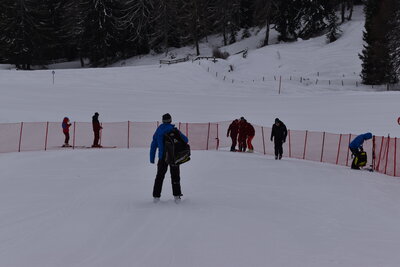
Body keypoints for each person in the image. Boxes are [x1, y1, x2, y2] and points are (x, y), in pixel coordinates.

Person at [150, 113, 188, 202]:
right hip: (174, 157)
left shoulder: (159, 130)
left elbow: (153, 145)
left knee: (159, 176)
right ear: (170, 120)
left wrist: (152, 158)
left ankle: (156, 196)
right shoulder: (174, 130)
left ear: (162, 120)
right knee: (175, 176)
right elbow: (186, 140)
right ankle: (177, 196)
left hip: (162, 157)